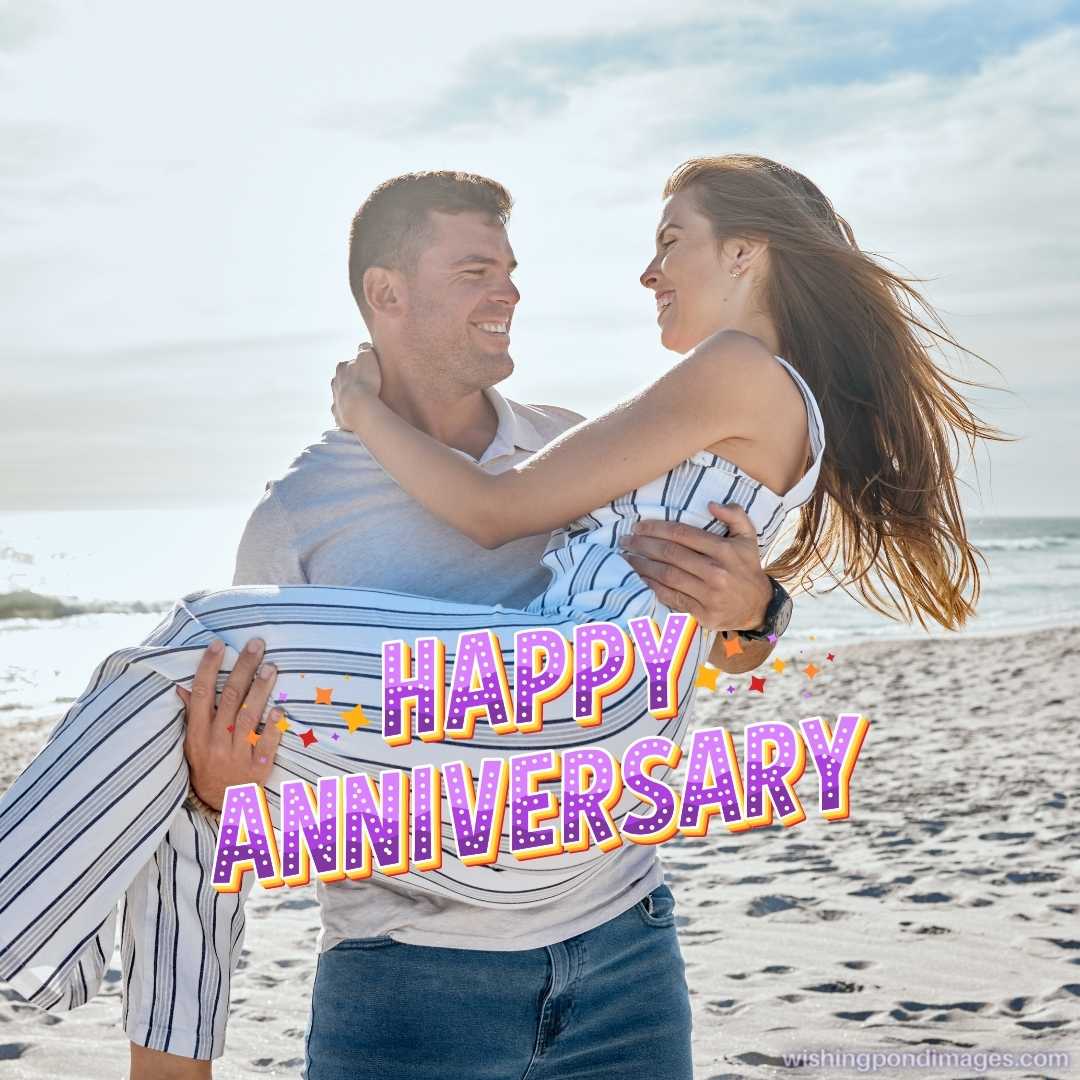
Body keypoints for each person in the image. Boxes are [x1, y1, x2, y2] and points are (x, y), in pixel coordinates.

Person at [0, 158, 999, 1080]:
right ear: (386, 296)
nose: (516, 290)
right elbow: (263, 784)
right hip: (420, 974)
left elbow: (508, 519)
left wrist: (756, 610)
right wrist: (227, 784)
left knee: (179, 648)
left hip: (614, 927)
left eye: (669, 241)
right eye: (478, 268)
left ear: (744, 253)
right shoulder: (295, 518)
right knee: (180, 748)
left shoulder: (609, 426)